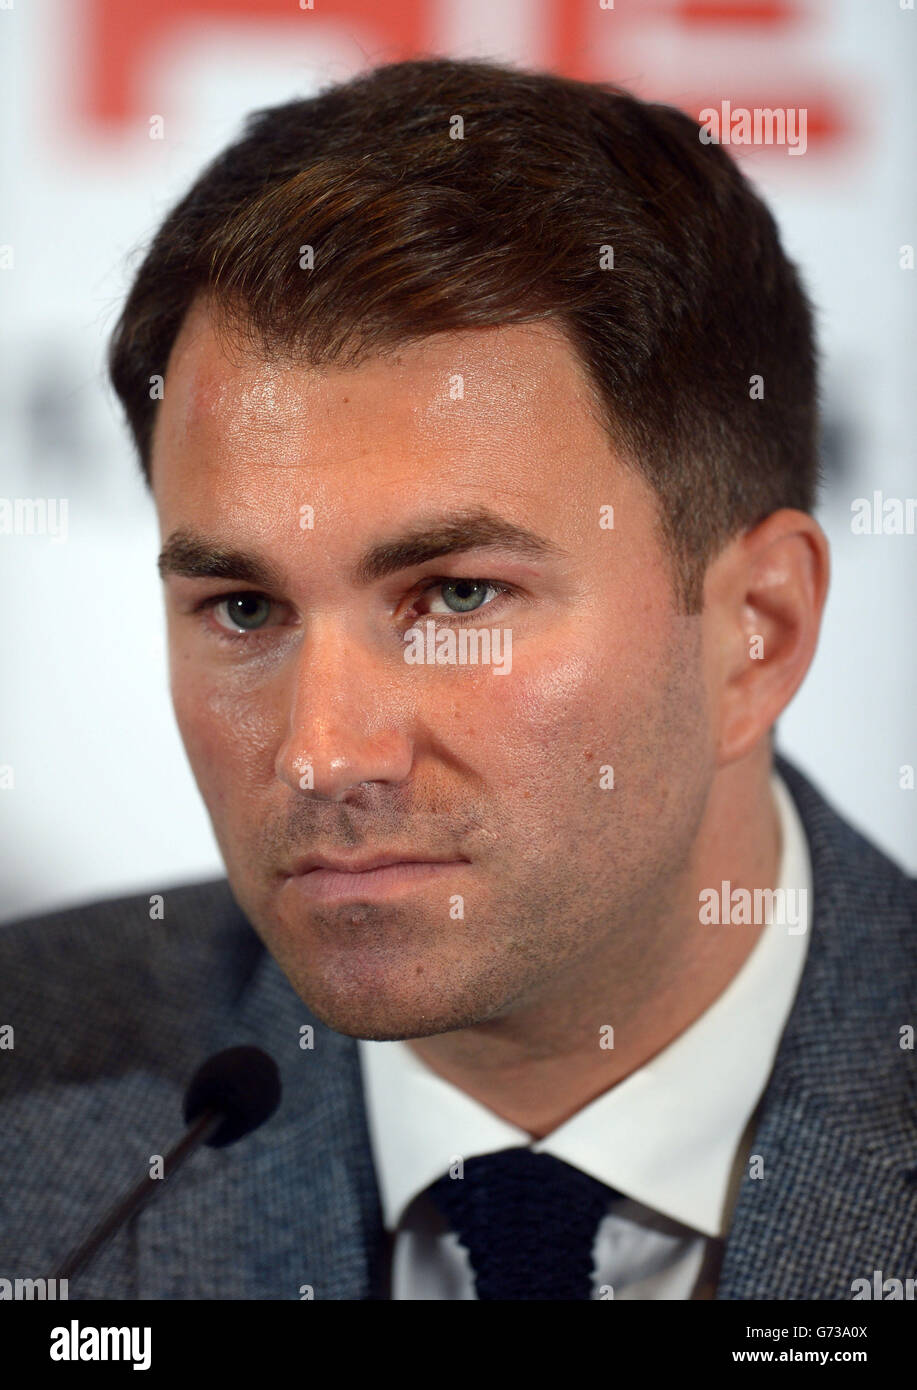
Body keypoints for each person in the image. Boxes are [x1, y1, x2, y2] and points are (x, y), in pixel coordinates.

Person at [1, 56, 914, 1302]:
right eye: (245, 608)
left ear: (755, 629)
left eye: (457, 597)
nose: (323, 754)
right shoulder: (32, 1103)